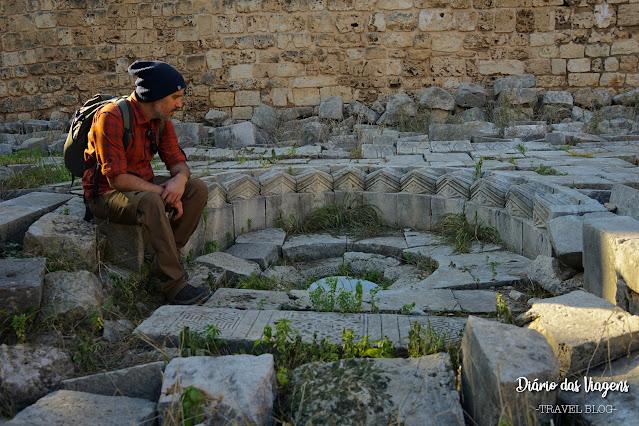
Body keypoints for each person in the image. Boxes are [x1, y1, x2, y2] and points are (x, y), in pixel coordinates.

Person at [82, 60, 210, 305]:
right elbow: (117, 178)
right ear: (155, 96)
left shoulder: (161, 121)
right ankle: (173, 285)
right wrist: (164, 191)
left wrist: (180, 182)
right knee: (152, 200)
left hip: (141, 185)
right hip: (105, 194)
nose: (179, 104)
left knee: (197, 189)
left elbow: (178, 163)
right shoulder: (111, 117)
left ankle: (162, 259)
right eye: (175, 97)